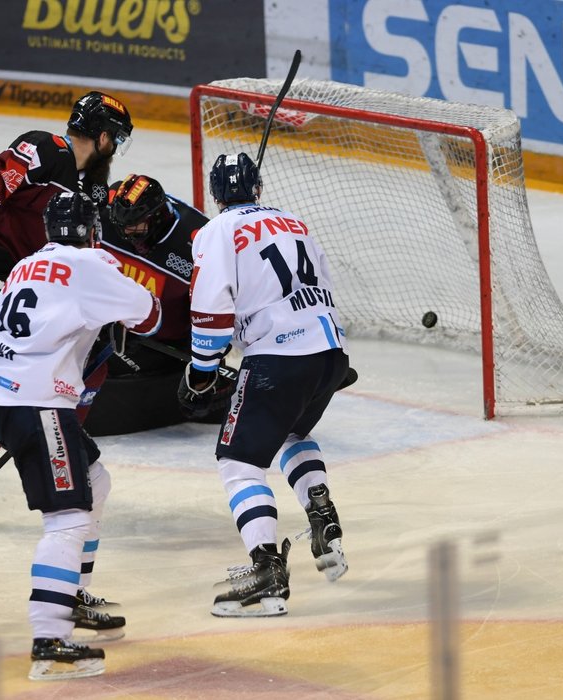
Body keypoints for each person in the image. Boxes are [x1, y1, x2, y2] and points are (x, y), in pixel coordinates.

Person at [0, 90, 133, 539]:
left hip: (36, 295)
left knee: (86, 369)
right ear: (102, 138)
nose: (114, 152)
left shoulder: (89, 191)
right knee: (3, 384)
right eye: (115, 141)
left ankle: (63, 452)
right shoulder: (46, 150)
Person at [0, 191, 161, 680]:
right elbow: (145, 310)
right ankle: (50, 640)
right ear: (92, 229)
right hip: (37, 402)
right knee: (67, 520)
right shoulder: (90, 263)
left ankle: (69, 595)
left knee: (94, 482)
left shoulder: (26, 265)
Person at [178, 152, 351, 618]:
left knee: (238, 463)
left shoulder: (215, 231)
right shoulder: (296, 222)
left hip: (279, 356)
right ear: (258, 189)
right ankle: (323, 519)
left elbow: (211, 307)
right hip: (330, 350)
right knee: (294, 432)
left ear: (215, 196)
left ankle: (267, 573)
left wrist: (202, 368)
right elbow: (329, 290)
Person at [82, 173, 233, 436]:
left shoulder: (201, 240)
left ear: (157, 217)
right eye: (122, 229)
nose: (127, 236)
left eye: (136, 229)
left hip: (166, 348)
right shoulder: (105, 210)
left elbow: (225, 306)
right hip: (108, 326)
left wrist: (208, 353)